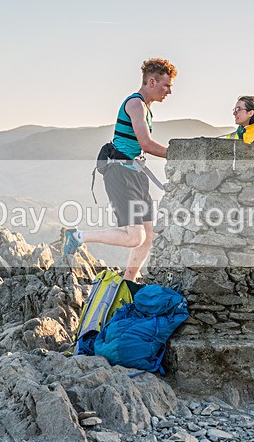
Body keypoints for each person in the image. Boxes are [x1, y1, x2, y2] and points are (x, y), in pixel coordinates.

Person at [62, 58, 177, 282]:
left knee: (149, 236)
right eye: (166, 85)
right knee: (135, 237)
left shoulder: (145, 108)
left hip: (134, 173)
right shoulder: (135, 104)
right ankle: (77, 236)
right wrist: (179, 154)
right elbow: (146, 144)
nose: (169, 91)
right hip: (121, 174)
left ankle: (129, 281)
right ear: (151, 81)